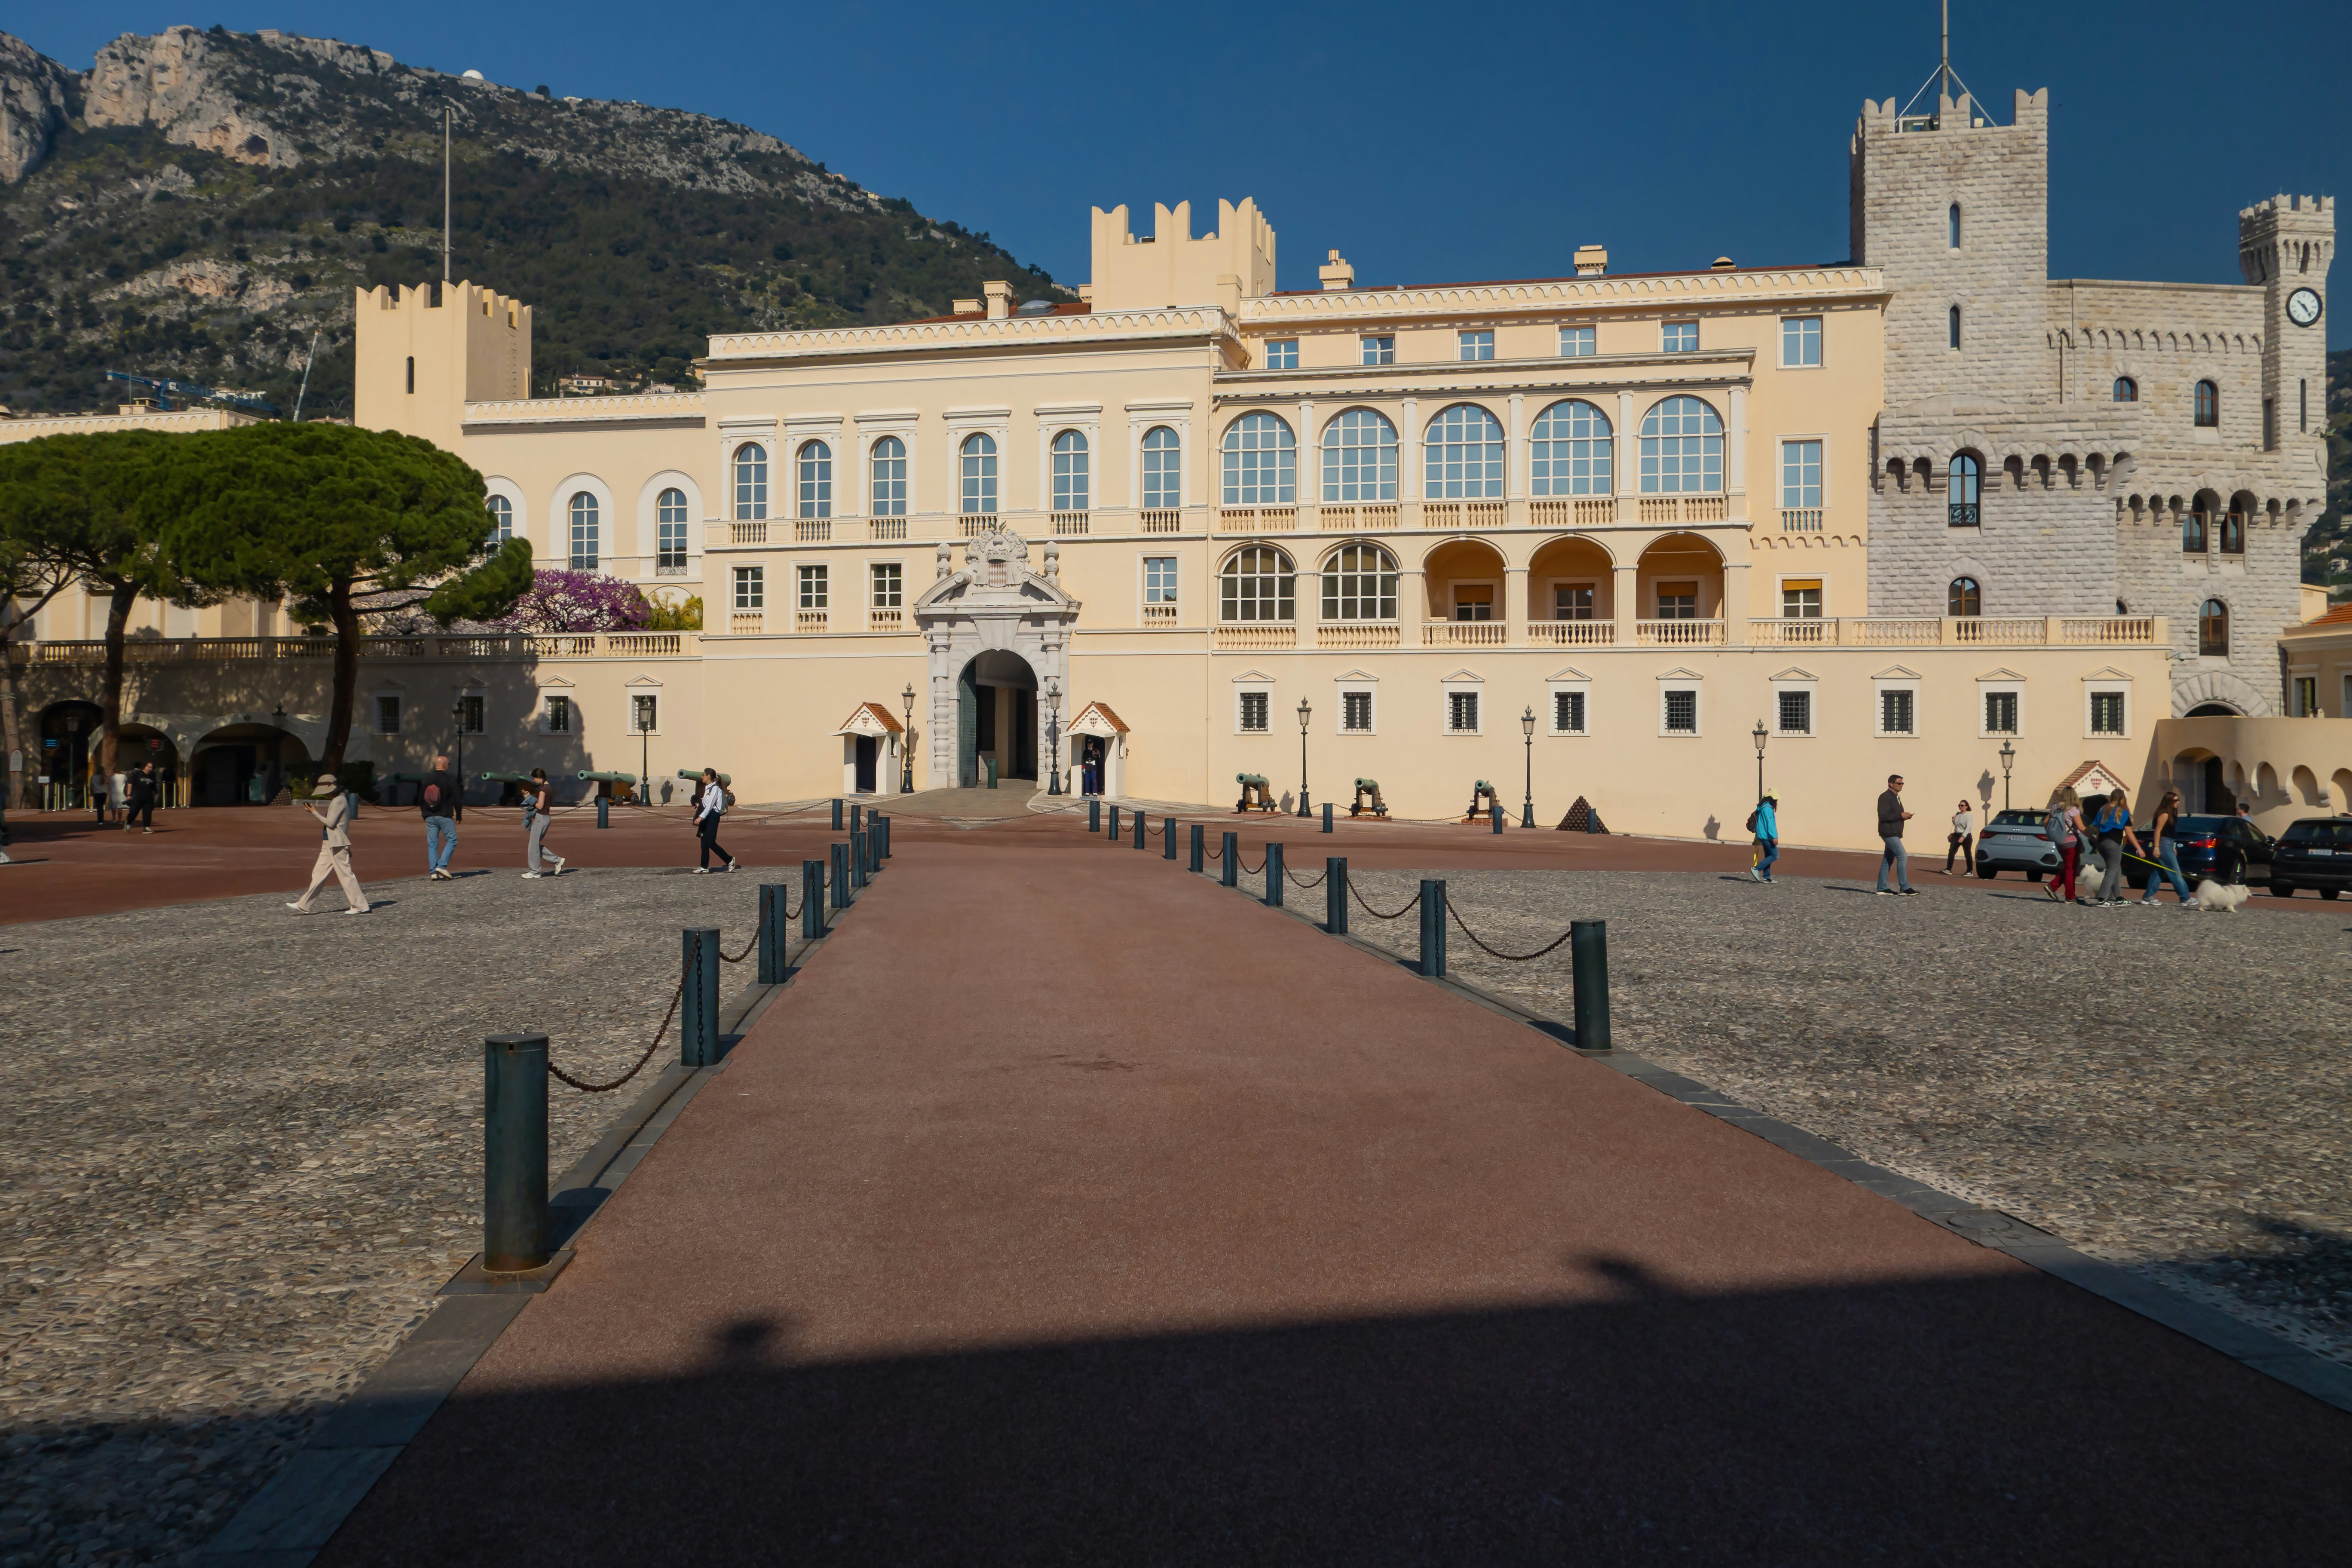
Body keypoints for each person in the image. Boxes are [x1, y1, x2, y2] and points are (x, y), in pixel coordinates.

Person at [286, 773, 370, 916]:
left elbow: (331, 824)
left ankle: (360, 905)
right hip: (330, 843)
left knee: (345, 875)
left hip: (336, 844)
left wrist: (314, 813)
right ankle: (304, 905)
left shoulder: (339, 801)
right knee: (319, 873)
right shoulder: (338, 800)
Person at [2139, 789, 2197, 908]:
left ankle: (2148, 896)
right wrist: (2157, 847)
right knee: (2176, 872)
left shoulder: (2172, 814)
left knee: (2159, 871)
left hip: (2169, 843)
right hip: (2163, 844)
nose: (2178, 802)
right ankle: (2185, 898)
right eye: (2175, 800)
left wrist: (2173, 846)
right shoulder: (2164, 814)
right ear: (2169, 801)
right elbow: (2158, 831)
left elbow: (2170, 833)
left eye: (2178, 800)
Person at [2089, 786, 2143, 906]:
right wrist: (2139, 848)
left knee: (2116, 870)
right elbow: (2129, 833)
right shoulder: (2122, 812)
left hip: (2102, 842)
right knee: (2111, 871)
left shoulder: (2103, 809)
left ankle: (2119, 898)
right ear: (2123, 799)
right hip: (2114, 844)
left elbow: (2097, 828)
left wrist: (2098, 842)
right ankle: (2102, 899)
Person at [419, 753, 460, 880]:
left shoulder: (426, 779)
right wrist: (459, 814)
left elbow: (421, 798)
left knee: (432, 844)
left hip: (429, 815)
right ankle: (442, 866)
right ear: (444, 765)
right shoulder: (450, 780)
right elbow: (457, 799)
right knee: (452, 840)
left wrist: (425, 813)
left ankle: (433, 872)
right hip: (445, 814)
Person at [1874, 774, 1916, 895]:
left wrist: (1904, 817)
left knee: (1888, 859)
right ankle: (1904, 887)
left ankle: (1882, 888)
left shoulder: (1896, 797)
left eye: (1903, 783)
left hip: (1894, 832)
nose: (1902, 785)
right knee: (1903, 856)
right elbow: (1883, 816)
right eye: (1899, 783)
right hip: (1888, 832)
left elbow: (1894, 815)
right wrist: (1900, 816)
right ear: (1891, 784)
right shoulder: (1885, 797)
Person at [2042, 786, 2085, 903]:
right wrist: (2094, 838)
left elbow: (2045, 822)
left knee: (2068, 867)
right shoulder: (2074, 810)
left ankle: (2053, 886)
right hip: (2071, 842)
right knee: (2071, 870)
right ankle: (2070, 896)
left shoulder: (2056, 807)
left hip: (2060, 842)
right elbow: (2081, 827)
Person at [521, 767, 567, 879]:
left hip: (541, 818)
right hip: (545, 818)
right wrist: (531, 797)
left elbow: (540, 806)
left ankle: (535, 871)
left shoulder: (543, 790)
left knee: (533, 846)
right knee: (535, 845)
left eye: (534, 778)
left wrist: (529, 799)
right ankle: (557, 861)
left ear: (541, 778)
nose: (533, 780)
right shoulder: (549, 787)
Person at [692, 767, 736, 873]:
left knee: (710, 842)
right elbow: (706, 803)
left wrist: (700, 817)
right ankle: (704, 866)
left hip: (713, 816)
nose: (702, 777)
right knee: (704, 842)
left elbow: (711, 805)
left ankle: (730, 860)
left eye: (703, 775)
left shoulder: (715, 789)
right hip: (707, 815)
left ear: (708, 776)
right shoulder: (708, 788)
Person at [1748, 789, 1780, 883]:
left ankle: (1767, 877)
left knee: (1769, 856)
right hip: (1767, 836)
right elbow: (1770, 823)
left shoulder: (1763, 807)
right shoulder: (1767, 808)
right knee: (1775, 855)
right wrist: (1774, 837)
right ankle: (1757, 868)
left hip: (1763, 835)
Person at [126, 762, 158, 834]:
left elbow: (154, 787)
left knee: (147, 813)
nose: (150, 769)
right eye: (148, 767)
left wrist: (155, 794)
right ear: (145, 767)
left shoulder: (153, 775)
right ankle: (129, 823)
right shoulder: (138, 774)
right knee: (133, 812)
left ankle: (146, 827)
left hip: (148, 798)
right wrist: (129, 795)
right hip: (138, 797)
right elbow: (130, 784)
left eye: (151, 768)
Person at [1944, 799, 1975, 874]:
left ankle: (1969, 871)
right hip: (1957, 835)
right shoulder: (1958, 814)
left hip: (1966, 836)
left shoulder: (1968, 816)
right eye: (1959, 805)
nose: (1960, 807)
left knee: (1967, 853)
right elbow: (1956, 825)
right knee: (1952, 851)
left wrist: (1963, 837)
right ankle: (1948, 869)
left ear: (1966, 807)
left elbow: (1968, 827)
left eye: (1962, 805)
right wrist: (1953, 820)